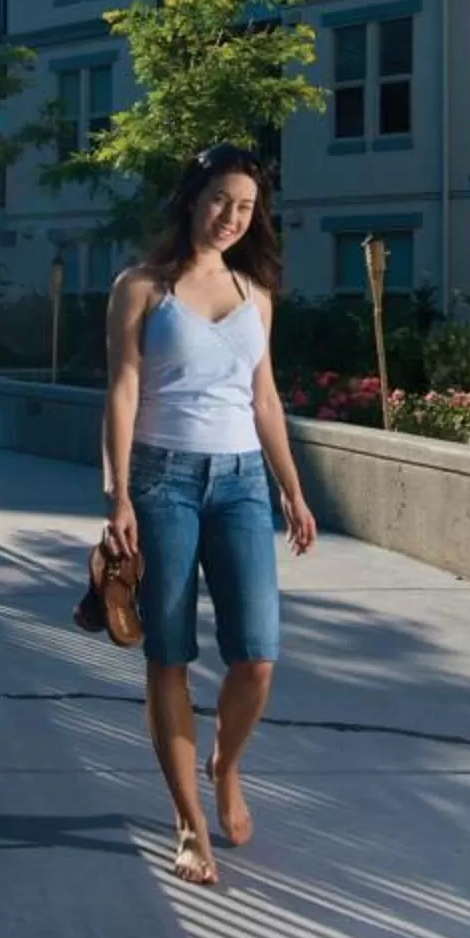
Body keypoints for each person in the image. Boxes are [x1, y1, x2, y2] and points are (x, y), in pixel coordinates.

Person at [99, 143, 318, 886]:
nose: (231, 216)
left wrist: (292, 488)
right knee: (168, 654)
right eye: (221, 199)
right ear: (193, 197)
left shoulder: (256, 293)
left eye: (246, 206)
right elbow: (123, 392)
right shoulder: (142, 287)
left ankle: (226, 765)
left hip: (243, 482)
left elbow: (264, 399)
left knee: (256, 658)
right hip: (161, 480)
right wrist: (118, 495)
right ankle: (190, 821)